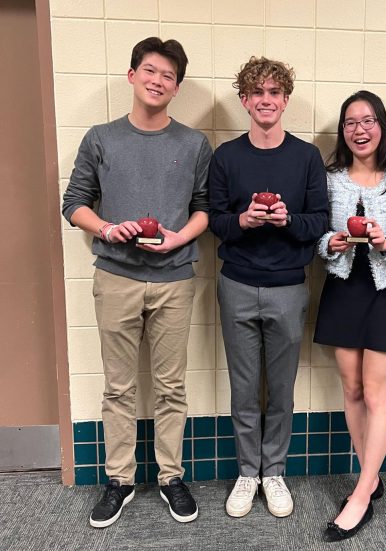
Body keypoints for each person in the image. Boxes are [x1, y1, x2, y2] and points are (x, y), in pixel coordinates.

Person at [62, 37, 212, 528]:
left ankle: (171, 476)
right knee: (118, 387)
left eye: (168, 75)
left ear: (177, 86)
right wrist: (106, 227)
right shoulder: (100, 138)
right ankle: (119, 480)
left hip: (174, 280)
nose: (157, 81)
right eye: (149, 71)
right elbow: (74, 203)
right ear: (132, 76)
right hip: (116, 277)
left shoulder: (193, 143)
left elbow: (205, 207)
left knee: (171, 386)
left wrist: (176, 240)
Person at [208, 57, 328, 519]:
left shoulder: (305, 158)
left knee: (280, 387)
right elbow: (214, 218)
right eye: (257, 92)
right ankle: (247, 472)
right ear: (245, 100)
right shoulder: (227, 157)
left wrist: (287, 220)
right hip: (236, 283)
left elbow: (318, 220)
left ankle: (273, 470)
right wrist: (241, 220)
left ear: (285, 100)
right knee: (243, 387)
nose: (265, 100)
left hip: (288, 287)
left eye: (274, 92)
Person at [313, 90, 386, 542]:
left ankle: (361, 494)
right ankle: (371, 476)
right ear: (343, 131)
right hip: (343, 287)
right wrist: (328, 243)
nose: (360, 129)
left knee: (377, 393)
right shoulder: (329, 178)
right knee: (352, 388)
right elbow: (313, 231)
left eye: (369, 120)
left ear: (382, 126)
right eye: (351, 122)